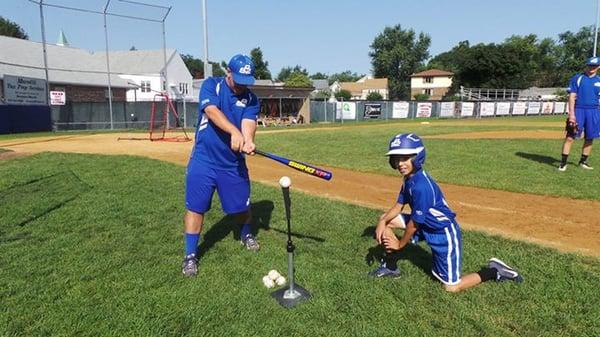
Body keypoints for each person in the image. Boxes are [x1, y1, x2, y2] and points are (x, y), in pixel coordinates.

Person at [369, 133, 523, 292]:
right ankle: (391, 266)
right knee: (387, 220)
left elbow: (414, 224)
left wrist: (400, 244)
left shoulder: (421, 186)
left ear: (418, 156)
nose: (400, 163)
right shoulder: (409, 179)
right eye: (396, 159)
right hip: (424, 224)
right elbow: (398, 206)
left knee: (451, 287)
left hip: (441, 232)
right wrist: (382, 221)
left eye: (405, 158)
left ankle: (494, 271)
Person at [182, 54, 260, 277]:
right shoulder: (211, 85)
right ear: (228, 73)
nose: (242, 86)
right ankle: (190, 255)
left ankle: (246, 235)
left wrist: (248, 140)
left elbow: (248, 123)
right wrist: (233, 131)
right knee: (196, 207)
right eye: (238, 80)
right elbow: (211, 111)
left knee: (241, 207)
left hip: (232, 164)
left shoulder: (252, 99)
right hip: (203, 160)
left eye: (246, 81)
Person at [558, 56, 600, 171]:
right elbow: (572, 96)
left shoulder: (599, 80)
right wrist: (571, 114)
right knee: (570, 137)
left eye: (594, 66)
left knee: (590, 137)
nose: (592, 68)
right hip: (579, 109)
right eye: (590, 65)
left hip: (594, 111)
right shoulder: (578, 78)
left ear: (598, 67)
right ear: (587, 65)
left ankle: (583, 161)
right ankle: (563, 163)